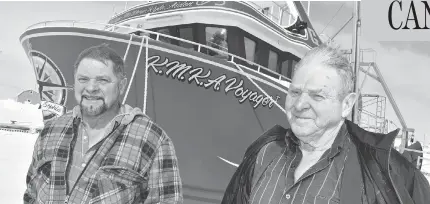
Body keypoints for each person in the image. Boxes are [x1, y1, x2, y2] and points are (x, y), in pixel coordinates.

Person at [221, 43, 430, 204]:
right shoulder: (263, 154)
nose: (300, 104)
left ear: (347, 104)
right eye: (294, 92)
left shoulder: (389, 174)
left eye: (317, 96)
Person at [24, 44, 183, 204]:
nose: (91, 88)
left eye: (103, 80)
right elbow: (31, 195)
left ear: (121, 85)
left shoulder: (152, 140)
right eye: (83, 79)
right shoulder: (52, 131)